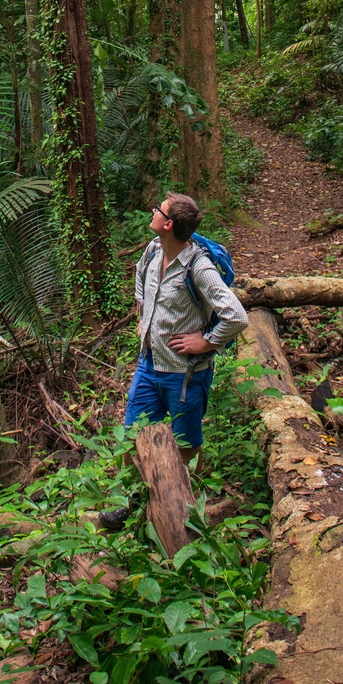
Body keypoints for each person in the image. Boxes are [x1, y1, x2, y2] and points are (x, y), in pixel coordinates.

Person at [124, 192, 249, 473]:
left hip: (186, 375)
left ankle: (190, 507)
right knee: (132, 437)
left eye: (159, 209)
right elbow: (140, 280)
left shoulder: (199, 267)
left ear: (168, 224)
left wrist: (206, 342)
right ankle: (132, 503)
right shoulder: (154, 250)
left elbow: (237, 316)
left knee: (187, 446)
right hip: (149, 364)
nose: (153, 211)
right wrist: (142, 318)